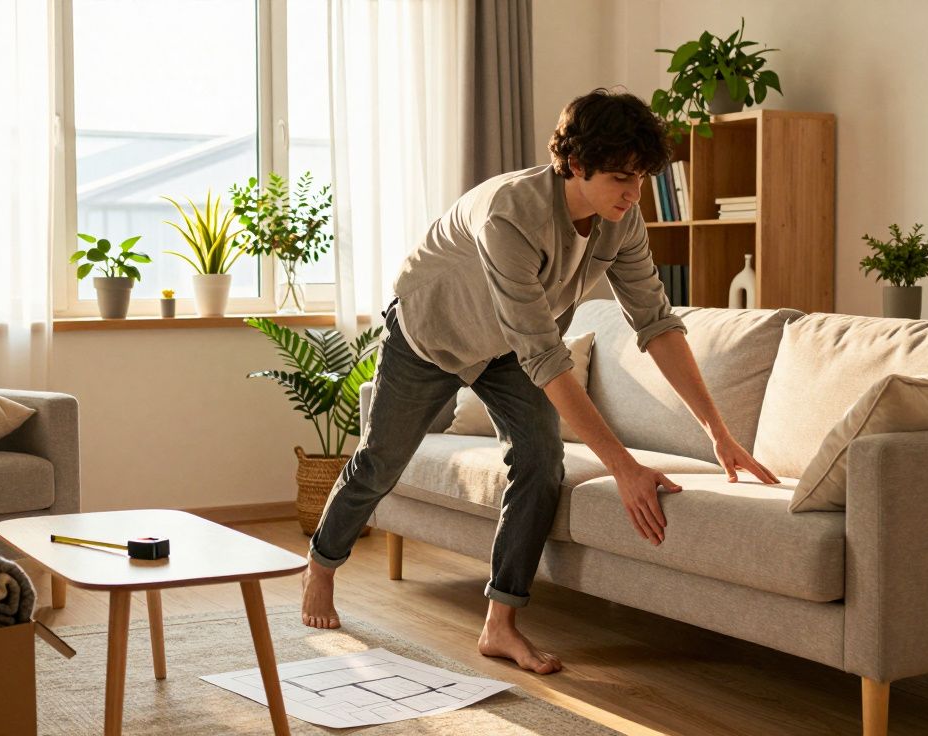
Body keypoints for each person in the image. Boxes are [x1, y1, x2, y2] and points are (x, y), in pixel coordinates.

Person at [301, 88, 778, 674]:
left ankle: (500, 624)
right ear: (575, 165)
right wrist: (624, 467)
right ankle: (321, 568)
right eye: (621, 178)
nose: (634, 194)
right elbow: (547, 358)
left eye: (642, 177)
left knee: (539, 458)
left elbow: (656, 323)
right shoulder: (511, 212)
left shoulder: (620, 221)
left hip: (509, 347)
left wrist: (718, 432)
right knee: (382, 460)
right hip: (432, 333)